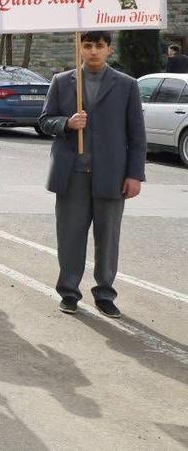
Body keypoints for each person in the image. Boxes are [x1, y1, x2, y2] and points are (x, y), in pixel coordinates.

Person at [39, 30, 145, 317]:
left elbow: (137, 136)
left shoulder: (126, 85)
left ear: (109, 49)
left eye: (99, 45)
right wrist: (67, 123)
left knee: (108, 238)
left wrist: (135, 175)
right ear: (80, 48)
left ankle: (105, 293)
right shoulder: (62, 82)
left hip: (111, 175)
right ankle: (69, 292)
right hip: (72, 175)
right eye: (87, 45)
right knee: (70, 236)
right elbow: (45, 120)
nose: (93, 51)